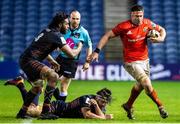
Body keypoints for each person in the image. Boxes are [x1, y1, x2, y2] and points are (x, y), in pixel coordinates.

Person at [88, 5, 168, 119]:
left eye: (141, 16)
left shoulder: (147, 23)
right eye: (136, 16)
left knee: (141, 85)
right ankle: (161, 106)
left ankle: (128, 105)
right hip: (131, 62)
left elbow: (162, 30)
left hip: (145, 61)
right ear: (131, 15)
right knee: (146, 83)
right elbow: (107, 36)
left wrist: (161, 38)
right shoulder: (124, 26)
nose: (139, 18)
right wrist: (96, 51)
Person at [14, 11, 83, 119]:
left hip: (25, 60)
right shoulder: (57, 35)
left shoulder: (48, 31)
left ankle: (22, 112)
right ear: (60, 24)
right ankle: (45, 111)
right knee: (54, 76)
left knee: (37, 88)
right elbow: (71, 54)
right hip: (29, 60)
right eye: (66, 24)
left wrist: (51, 61)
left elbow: (40, 49)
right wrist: (80, 46)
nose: (68, 27)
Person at [5, 79, 113, 120]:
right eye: (103, 102)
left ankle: (21, 84)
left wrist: (101, 114)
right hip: (56, 108)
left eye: (106, 103)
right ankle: (24, 86)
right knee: (29, 110)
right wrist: (103, 118)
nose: (104, 105)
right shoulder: (87, 100)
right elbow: (87, 115)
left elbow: (102, 115)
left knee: (31, 107)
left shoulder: (98, 104)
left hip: (60, 109)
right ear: (97, 97)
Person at [53, 10, 92, 101]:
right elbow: (57, 38)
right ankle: (60, 103)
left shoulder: (84, 32)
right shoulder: (64, 28)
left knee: (63, 86)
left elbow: (89, 46)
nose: (75, 21)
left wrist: (87, 62)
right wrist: (56, 46)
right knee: (51, 79)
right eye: (73, 18)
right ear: (70, 19)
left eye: (77, 19)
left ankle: (60, 106)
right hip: (60, 58)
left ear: (80, 19)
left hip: (71, 61)